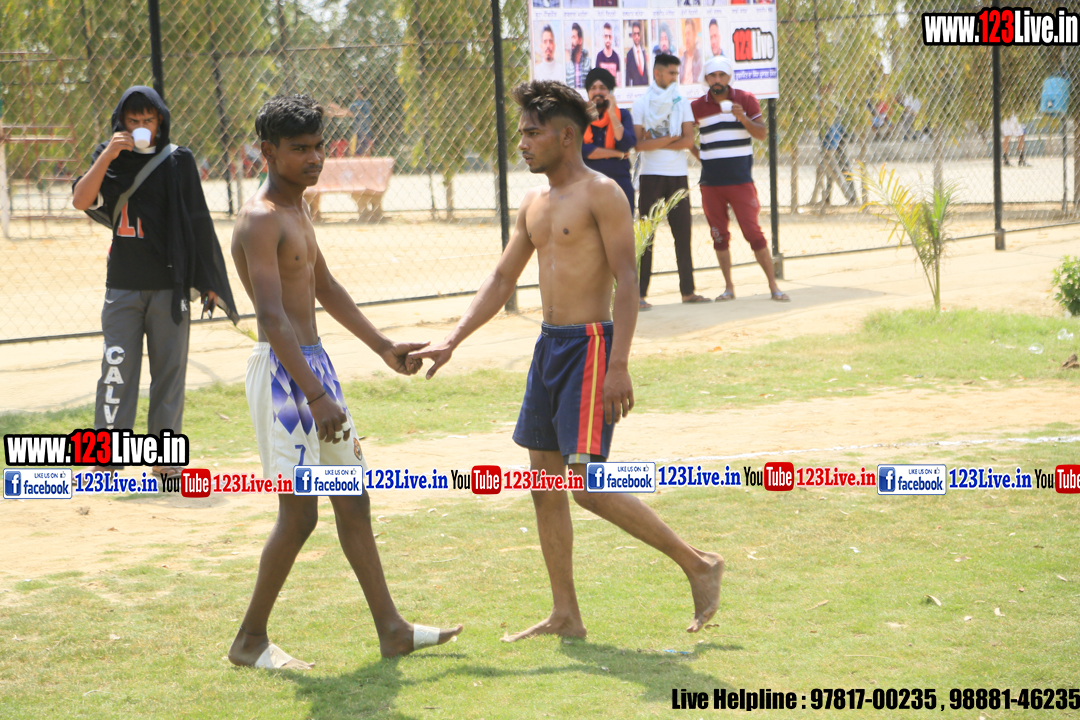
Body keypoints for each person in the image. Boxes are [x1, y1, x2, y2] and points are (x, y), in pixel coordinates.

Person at [412, 80, 723, 641]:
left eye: (532, 133)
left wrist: (619, 364)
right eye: (522, 133)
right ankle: (565, 614)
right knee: (545, 484)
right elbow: (502, 278)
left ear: (566, 136)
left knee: (585, 483)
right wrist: (452, 339)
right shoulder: (533, 202)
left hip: (592, 346)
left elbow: (628, 280)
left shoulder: (603, 193)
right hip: (548, 346)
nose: (522, 144)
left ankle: (698, 564)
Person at [227, 94, 461, 670]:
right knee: (299, 514)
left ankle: (393, 630)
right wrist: (314, 394)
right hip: (285, 379)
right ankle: (249, 640)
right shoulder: (260, 218)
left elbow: (326, 289)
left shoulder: (298, 210)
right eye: (299, 149)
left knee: (353, 501)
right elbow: (271, 316)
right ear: (267, 152)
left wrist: (382, 347)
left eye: (318, 147)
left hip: (315, 368)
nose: (314, 158)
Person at [72, 86, 239, 478]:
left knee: (169, 374)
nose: (142, 127)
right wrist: (109, 156)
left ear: (160, 120)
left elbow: (198, 221)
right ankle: (105, 459)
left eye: (148, 119)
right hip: (122, 286)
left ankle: (165, 463)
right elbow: (80, 200)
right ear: (121, 122)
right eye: (133, 121)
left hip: (170, 285)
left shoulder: (178, 159)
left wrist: (208, 280)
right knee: (116, 370)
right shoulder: (107, 158)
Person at [691, 56, 789, 302]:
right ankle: (729, 288)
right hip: (710, 184)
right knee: (719, 236)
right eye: (712, 76)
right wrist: (702, 156)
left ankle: (773, 286)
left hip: (740, 181)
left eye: (721, 75)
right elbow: (685, 136)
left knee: (753, 232)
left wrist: (743, 118)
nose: (717, 80)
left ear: (729, 77)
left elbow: (762, 135)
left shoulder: (745, 100)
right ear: (706, 78)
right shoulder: (697, 107)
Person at [632, 54, 709, 307]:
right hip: (651, 176)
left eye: (677, 73)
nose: (676, 78)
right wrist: (668, 139)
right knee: (646, 236)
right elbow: (639, 144)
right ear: (657, 74)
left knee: (683, 234)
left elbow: (687, 140)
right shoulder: (642, 104)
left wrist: (655, 141)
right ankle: (639, 295)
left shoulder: (681, 102)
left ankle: (688, 292)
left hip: (678, 176)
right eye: (672, 73)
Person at [582, 68, 636, 214]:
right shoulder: (580, 118)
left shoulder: (622, 115)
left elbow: (626, 144)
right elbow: (585, 151)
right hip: (587, 184)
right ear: (588, 92)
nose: (597, 92)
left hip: (619, 182)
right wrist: (617, 154)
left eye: (602, 88)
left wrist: (612, 114)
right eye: (593, 88)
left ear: (610, 91)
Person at [348, 87, 375, 156]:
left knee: (357, 153)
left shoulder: (357, 104)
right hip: (367, 131)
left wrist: (335, 109)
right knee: (365, 152)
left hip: (360, 132)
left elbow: (348, 113)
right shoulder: (367, 103)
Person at [566, 23, 592, 89]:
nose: (571, 41)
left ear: (580, 40)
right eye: (571, 38)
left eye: (574, 37)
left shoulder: (589, 63)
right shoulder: (568, 66)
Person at [625, 22, 649, 87]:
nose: (636, 37)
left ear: (640, 35)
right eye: (635, 34)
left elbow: (646, 73)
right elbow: (627, 76)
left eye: (638, 34)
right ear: (632, 36)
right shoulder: (629, 54)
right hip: (635, 89)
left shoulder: (643, 52)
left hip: (645, 88)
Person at [679, 19, 702, 85]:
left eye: (688, 34)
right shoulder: (681, 61)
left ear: (694, 35)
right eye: (685, 35)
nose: (686, 38)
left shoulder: (700, 58)